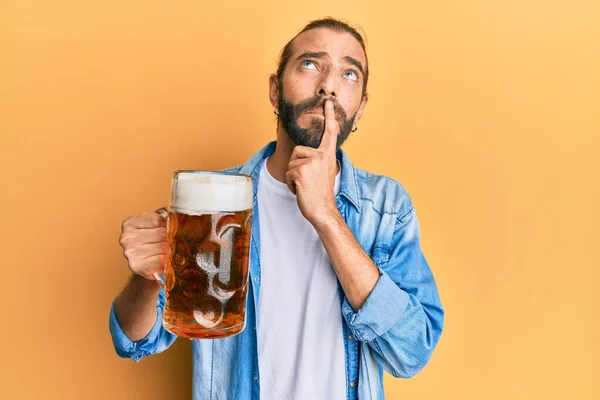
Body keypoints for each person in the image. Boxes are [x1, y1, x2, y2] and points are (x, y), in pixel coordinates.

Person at [109, 17, 444, 400]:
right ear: (274, 90)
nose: (328, 86)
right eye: (310, 64)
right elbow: (137, 340)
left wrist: (327, 215)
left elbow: (413, 351)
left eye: (349, 74)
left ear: (361, 107)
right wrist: (145, 278)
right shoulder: (212, 200)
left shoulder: (386, 207)